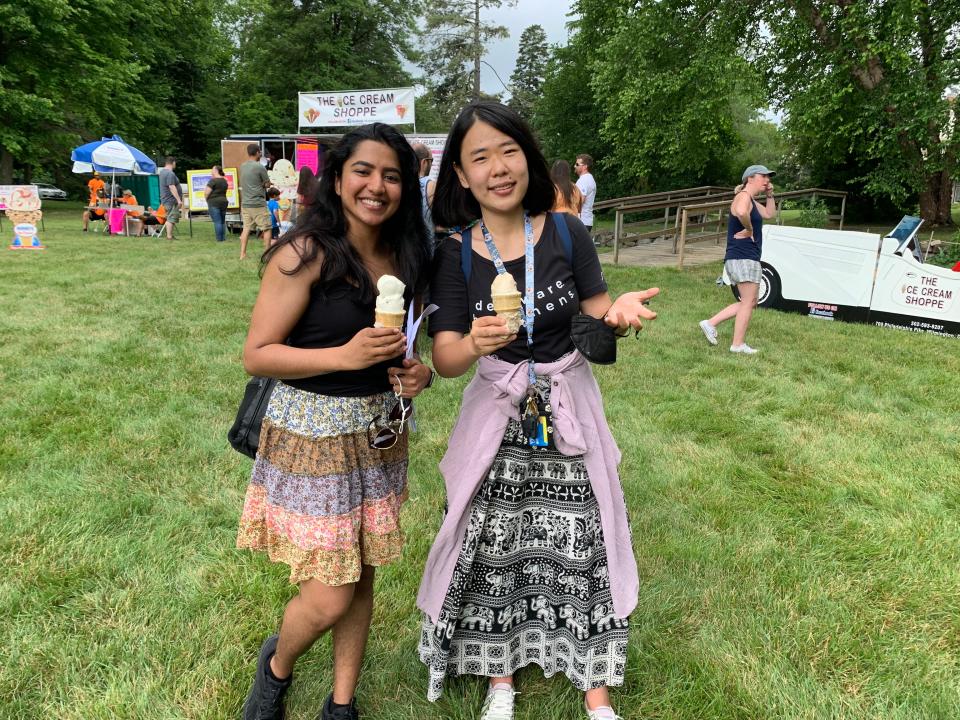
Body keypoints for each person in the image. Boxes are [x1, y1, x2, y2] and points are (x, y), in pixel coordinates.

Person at [418, 101, 658, 720]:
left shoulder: (565, 232)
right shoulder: (455, 255)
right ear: (462, 177)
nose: (498, 167)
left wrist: (621, 314)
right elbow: (445, 358)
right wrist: (474, 342)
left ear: (526, 157)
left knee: (585, 538)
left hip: (567, 404)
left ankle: (595, 689)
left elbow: (596, 309)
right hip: (496, 411)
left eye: (508, 151)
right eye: (480, 157)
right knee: (496, 539)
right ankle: (502, 680)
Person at [237, 122, 434, 720]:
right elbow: (258, 353)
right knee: (329, 595)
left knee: (363, 573)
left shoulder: (407, 257)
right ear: (339, 179)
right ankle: (277, 666)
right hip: (313, 433)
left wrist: (417, 373)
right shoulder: (306, 251)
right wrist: (343, 357)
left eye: (392, 176)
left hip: (380, 431)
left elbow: (407, 346)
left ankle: (341, 704)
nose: (378, 186)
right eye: (364, 172)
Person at [698, 164, 776, 354]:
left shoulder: (750, 199)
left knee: (750, 302)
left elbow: (769, 214)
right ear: (750, 178)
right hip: (743, 256)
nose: (767, 180)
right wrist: (749, 229)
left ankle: (710, 323)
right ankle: (737, 344)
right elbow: (741, 212)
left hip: (747, 256)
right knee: (748, 301)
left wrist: (770, 196)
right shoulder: (743, 197)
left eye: (768, 177)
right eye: (763, 176)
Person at [239, 143, 273, 260]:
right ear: (257, 152)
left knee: (246, 228)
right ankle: (267, 255)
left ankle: (242, 254)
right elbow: (267, 184)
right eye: (260, 152)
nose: (261, 154)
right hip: (258, 203)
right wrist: (267, 183)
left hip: (245, 203)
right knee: (267, 228)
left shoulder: (242, 166)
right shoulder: (260, 167)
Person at [411, 143, 436, 237]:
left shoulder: (398, 184)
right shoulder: (430, 186)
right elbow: (443, 223)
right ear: (424, 162)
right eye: (431, 160)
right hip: (425, 249)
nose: (431, 164)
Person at [158, 156, 183, 241]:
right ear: (173, 163)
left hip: (166, 199)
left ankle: (170, 235)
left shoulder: (162, 172)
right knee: (171, 218)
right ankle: (169, 236)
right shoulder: (169, 173)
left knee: (171, 217)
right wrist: (179, 200)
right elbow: (172, 186)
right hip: (171, 200)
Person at [205, 165, 230, 242]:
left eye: (212, 170)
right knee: (222, 221)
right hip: (224, 201)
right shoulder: (224, 181)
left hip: (214, 202)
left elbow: (206, 193)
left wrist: (207, 200)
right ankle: (223, 238)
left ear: (216, 170)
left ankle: (219, 239)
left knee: (217, 221)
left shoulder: (213, 181)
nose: (211, 171)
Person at [574, 154, 597, 234]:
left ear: (585, 166)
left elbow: (579, 201)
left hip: (581, 221)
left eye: (577, 164)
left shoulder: (584, 180)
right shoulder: (589, 178)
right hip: (586, 221)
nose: (574, 166)